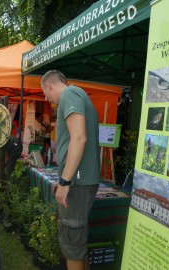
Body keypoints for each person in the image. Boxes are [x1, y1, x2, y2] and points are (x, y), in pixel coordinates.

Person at [41, 70, 101, 270]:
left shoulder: (69, 94)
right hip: (79, 179)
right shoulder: (78, 94)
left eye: (45, 93)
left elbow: (79, 138)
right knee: (77, 240)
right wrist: (64, 177)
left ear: (49, 85)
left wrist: (67, 181)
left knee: (71, 242)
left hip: (77, 182)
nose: (47, 98)